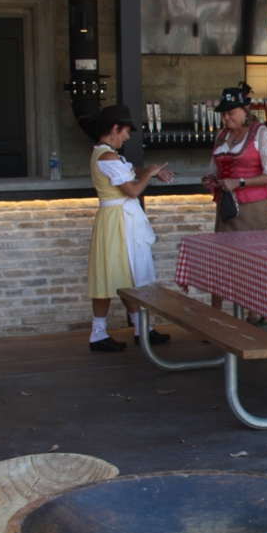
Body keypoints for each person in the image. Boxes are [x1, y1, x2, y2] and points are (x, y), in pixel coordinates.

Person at [84, 105, 173, 352]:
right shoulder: (107, 157)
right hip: (117, 221)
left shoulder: (107, 154)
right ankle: (98, 333)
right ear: (114, 129)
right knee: (111, 274)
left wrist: (152, 173)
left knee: (125, 275)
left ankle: (139, 326)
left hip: (116, 219)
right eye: (125, 131)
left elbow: (132, 170)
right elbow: (132, 189)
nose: (127, 136)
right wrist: (151, 173)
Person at [201, 83, 267, 324]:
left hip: (253, 207)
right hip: (226, 206)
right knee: (222, 259)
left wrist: (240, 182)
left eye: (231, 112)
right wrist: (210, 180)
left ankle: (254, 314)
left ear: (245, 110)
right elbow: (213, 169)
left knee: (253, 261)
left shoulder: (261, 133)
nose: (226, 117)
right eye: (224, 113)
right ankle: (216, 316)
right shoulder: (221, 135)